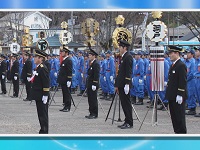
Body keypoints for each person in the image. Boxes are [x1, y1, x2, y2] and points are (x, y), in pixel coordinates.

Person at [165, 45, 187, 134]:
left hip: (177, 96)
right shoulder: (173, 65)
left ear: (177, 53)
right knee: (174, 117)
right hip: (172, 95)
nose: (169, 55)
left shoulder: (181, 65)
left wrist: (180, 94)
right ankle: (177, 133)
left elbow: (182, 81)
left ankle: (182, 135)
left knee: (179, 117)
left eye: (171, 53)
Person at [30, 49, 50, 134]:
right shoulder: (38, 67)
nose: (34, 59)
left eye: (36, 57)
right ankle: (42, 129)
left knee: (43, 114)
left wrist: (45, 94)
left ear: (41, 58)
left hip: (42, 95)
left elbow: (46, 82)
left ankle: (44, 131)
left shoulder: (42, 68)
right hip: (38, 95)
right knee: (40, 114)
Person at [115, 40, 133, 129]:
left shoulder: (128, 57)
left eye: (120, 47)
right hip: (121, 84)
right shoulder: (124, 57)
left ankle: (129, 122)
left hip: (125, 84)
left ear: (124, 48)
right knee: (124, 104)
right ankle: (126, 120)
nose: (119, 49)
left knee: (126, 104)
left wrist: (127, 83)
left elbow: (128, 72)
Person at [85, 48, 100, 119]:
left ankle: (94, 113)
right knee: (90, 99)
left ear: (94, 56)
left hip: (93, 84)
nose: (89, 56)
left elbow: (96, 75)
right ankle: (91, 112)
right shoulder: (92, 63)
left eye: (90, 55)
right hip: (90, 84)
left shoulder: (96, 64)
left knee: (93, 99)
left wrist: (95, 83)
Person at [57, 46, 72, 112]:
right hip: (63, 80)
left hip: (66, 80)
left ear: (66, 53)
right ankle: (65, 105)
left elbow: (69, 71)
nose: (61, 53)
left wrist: (69, 80)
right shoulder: (64, 60)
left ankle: (67, 106)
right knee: (64, 93)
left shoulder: (68, 60)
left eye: (63, 52)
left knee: (67, 94)